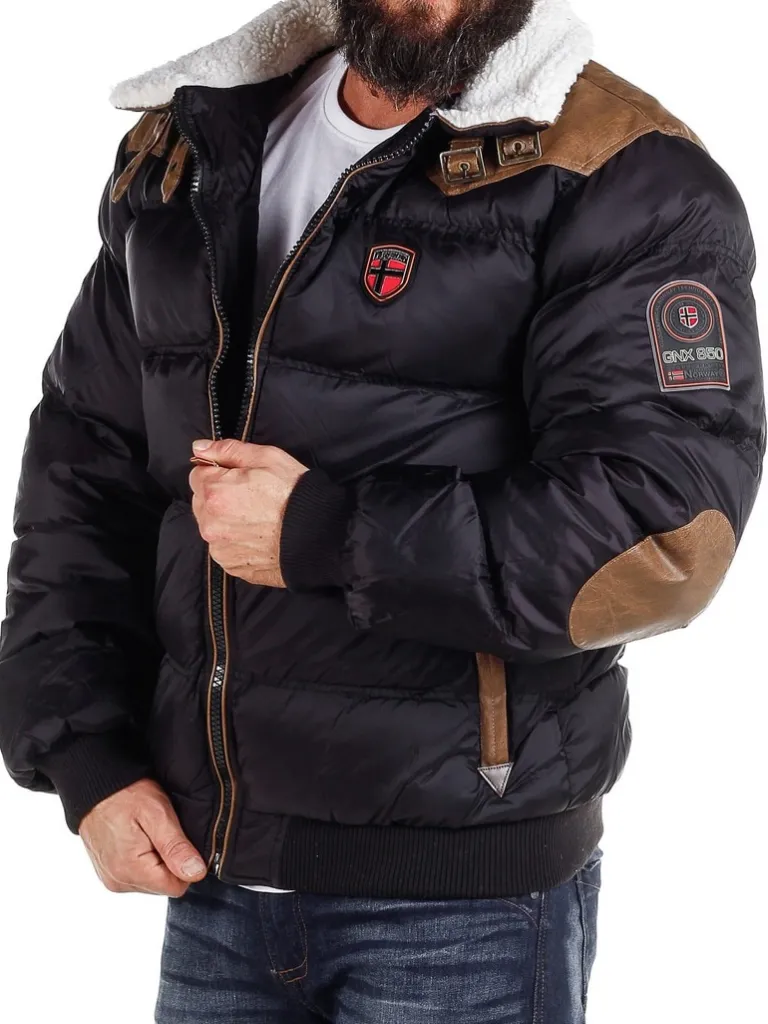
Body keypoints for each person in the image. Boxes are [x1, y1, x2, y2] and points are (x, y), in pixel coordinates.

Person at [0, 0, 764, 1020]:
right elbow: (83, 470)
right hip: (212, 883)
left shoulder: (625, 177)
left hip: (464, 909)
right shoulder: (192, 145)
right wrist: (86, 755)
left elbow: (661, 535)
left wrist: (324, 532)